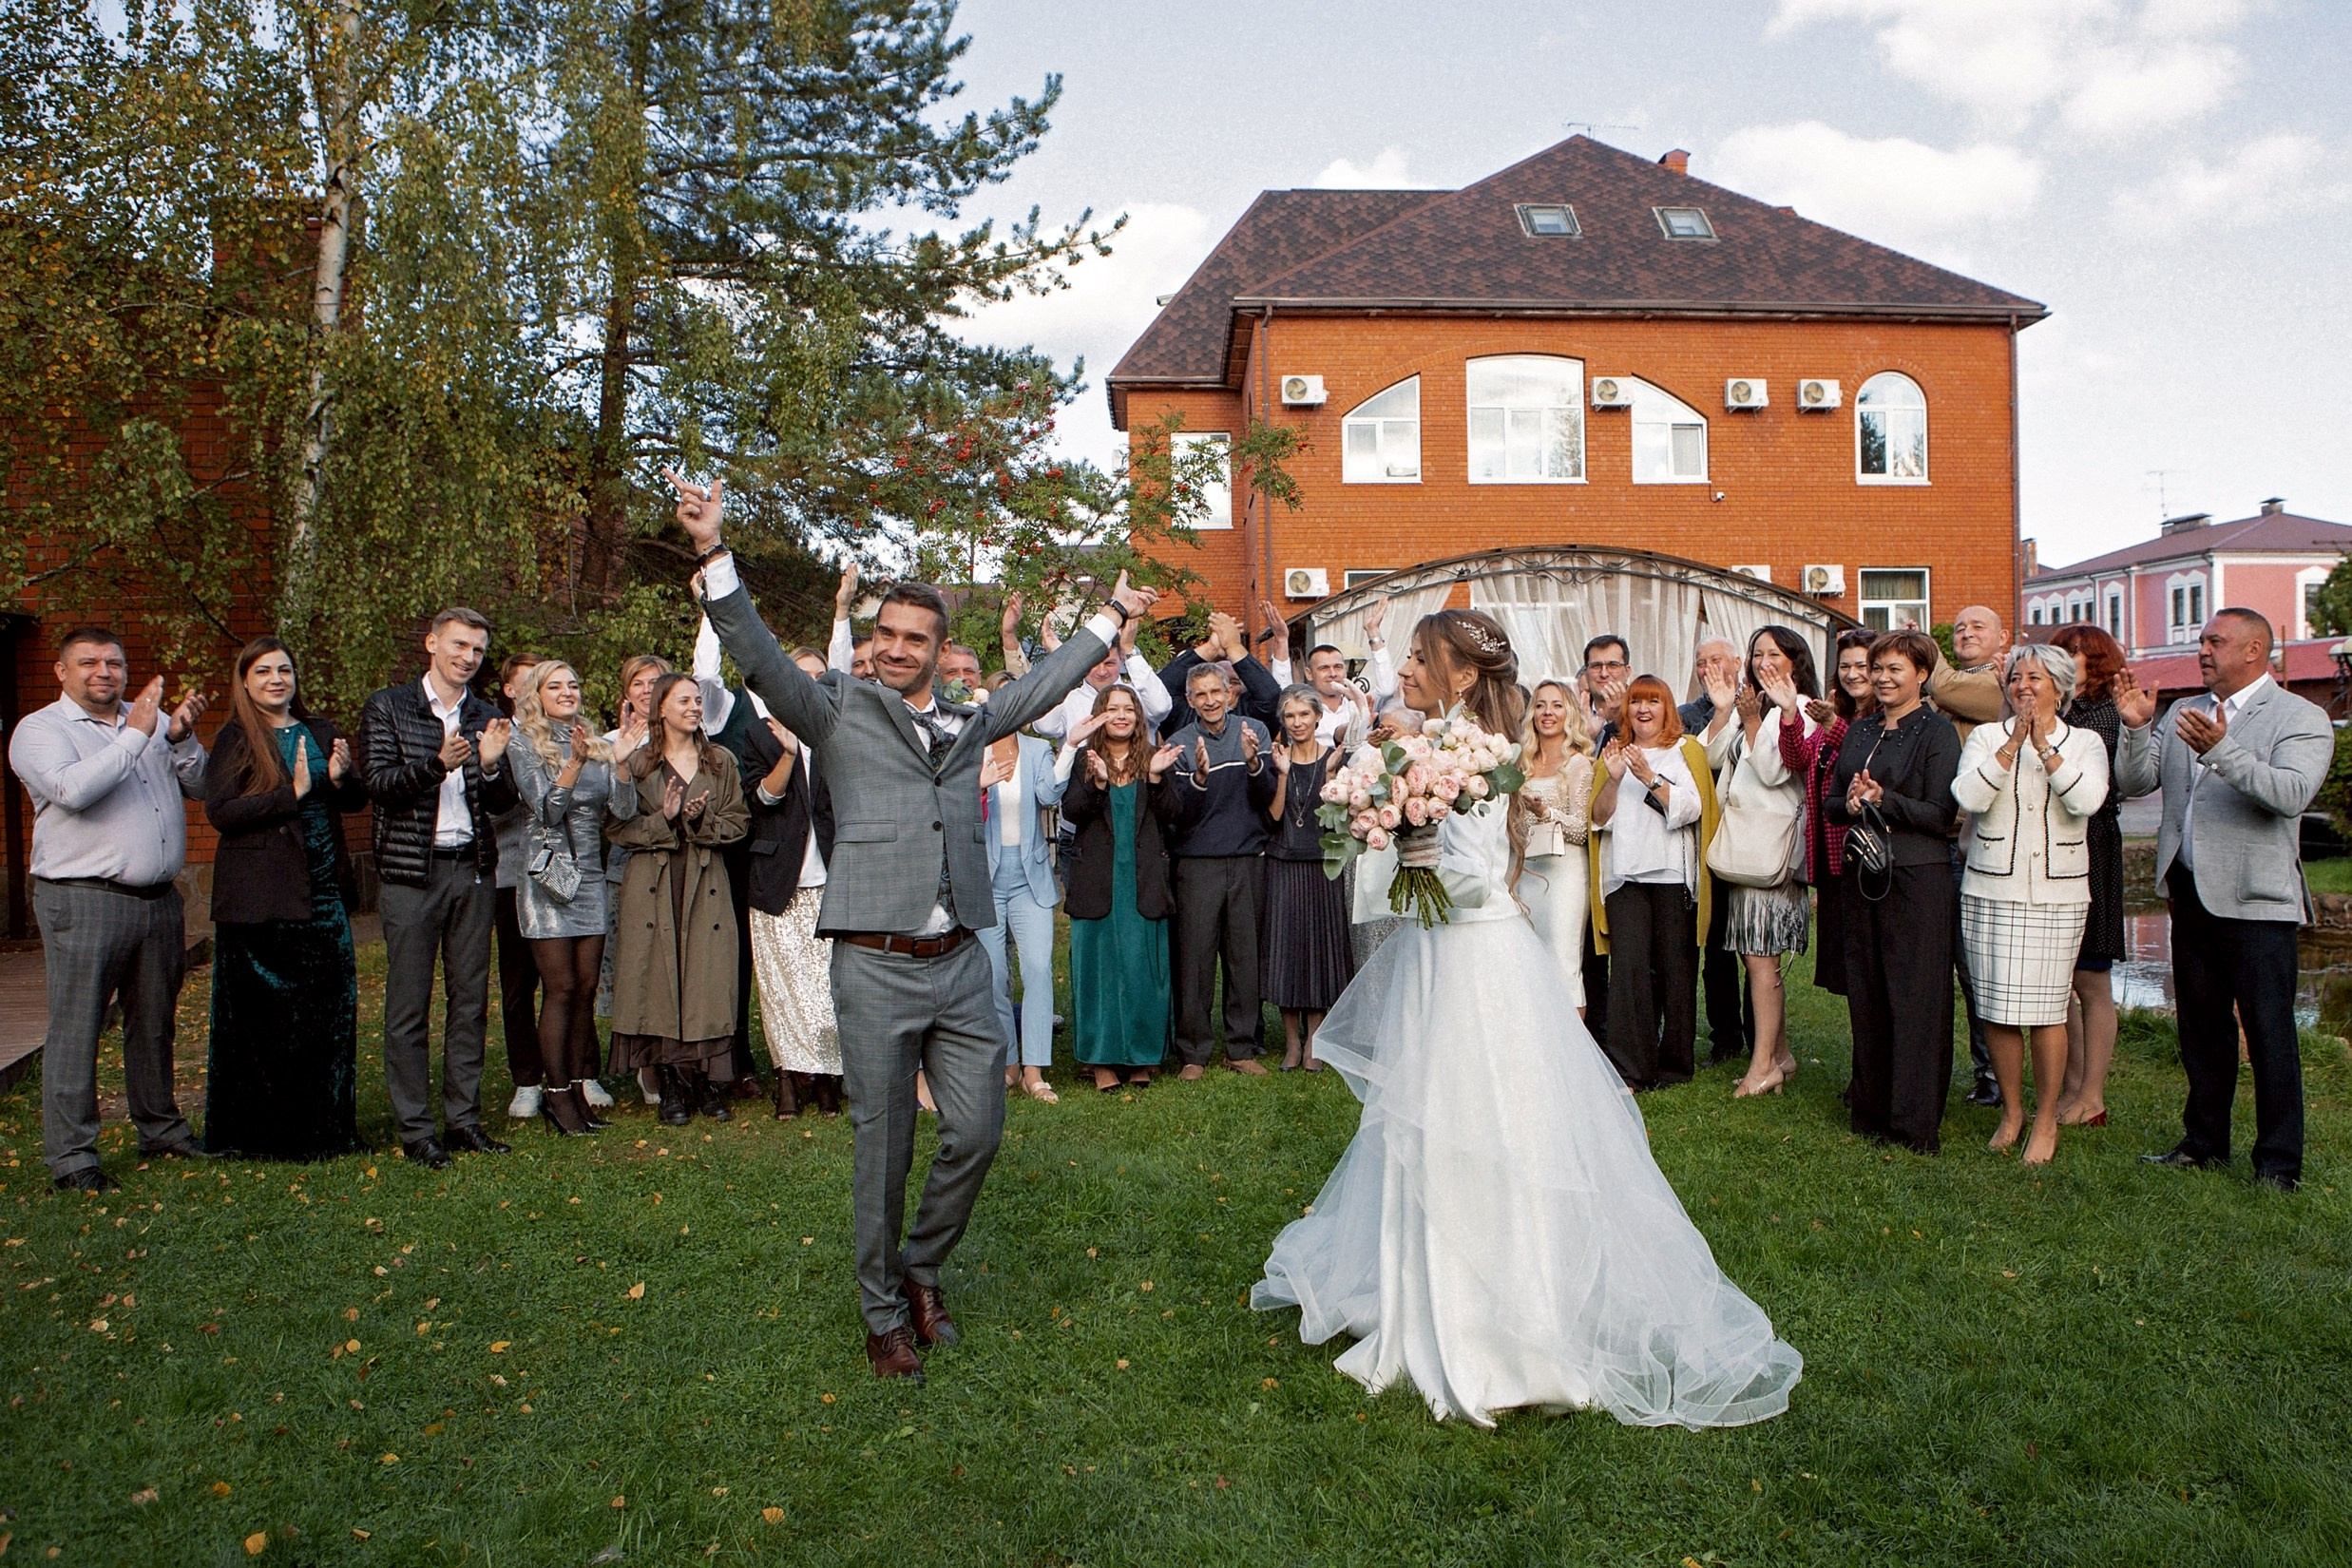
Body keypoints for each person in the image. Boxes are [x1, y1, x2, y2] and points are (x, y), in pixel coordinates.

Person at [1253, 608, 1801, 1429]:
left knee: (1489, 1121)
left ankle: (1500, 1317)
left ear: (1464, 675)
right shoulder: (1427, 741)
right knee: (1433, 1120)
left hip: (1480, 960)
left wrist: (1416, 844)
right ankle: (1426, 1293)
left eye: (1419, 657)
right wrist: (1398, 836)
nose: (1406, 668)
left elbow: (1478, 875)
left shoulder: (1474, 751)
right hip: (1442, 955)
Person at [677, 468, 1157, 1382]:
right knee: (882, 1150)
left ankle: (922, 1267)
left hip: (963, 964)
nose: (894, 650)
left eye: (912, 639)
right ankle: (884, 1313)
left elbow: (1044, 682)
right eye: (884, 636)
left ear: (941, 650)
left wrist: (1109, 615)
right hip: (873, 964)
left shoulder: (973, 722)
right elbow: (763, 657)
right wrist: (711, 549)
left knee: (975, 1134)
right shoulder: (837, 710)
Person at [2115, 609, 2331, 1192]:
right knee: (2202, 1030)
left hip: (2256, 900)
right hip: (2189, 892)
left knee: (2268, 1034)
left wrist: (2222, 750)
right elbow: (2137, 783)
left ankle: (2279, 1165)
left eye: (2216, 641)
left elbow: (2289, 795)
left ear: (2255, 649)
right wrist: (2137, 729)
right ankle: (2204, 1144)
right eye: (2204, 641)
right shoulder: (2185, 709)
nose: (2203, 649)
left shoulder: (2300, 717)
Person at [11, 628, 210, 1190]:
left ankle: (162, 1130)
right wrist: (137, 736)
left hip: (157, 901)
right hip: (84, 898)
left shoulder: (148, 718)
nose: (105, 672)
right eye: (89, 662)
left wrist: (180, 738)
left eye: (115, 663)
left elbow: (201, 786)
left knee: (154, 1024)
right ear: (61, 672)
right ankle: (73, 1159)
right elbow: (73, 791)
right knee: (78, 1027)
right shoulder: (40, 731)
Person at [356, 607, 517, 1169]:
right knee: (407, 1006)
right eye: (458, 645)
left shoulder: (486, 714)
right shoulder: (389, 706)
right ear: (432, 643)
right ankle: (416, 1128)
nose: (468, 657)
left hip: (471, 870)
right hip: (411, 872)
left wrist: (493, 768)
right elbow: (376, 785)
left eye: (477, 649)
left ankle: (463, 1120)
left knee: (470, 1002)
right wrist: (435, 765)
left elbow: (502, 805)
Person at [200, 637, 367, 1161]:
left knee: (329, 1017)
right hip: (260, 900)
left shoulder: (319, 730)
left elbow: (357, 799)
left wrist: (341, 778)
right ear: (245, 681)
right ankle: (260, 1136)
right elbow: (221, 813)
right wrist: (289, 795)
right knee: (261, 1023)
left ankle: (327, 1131)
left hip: (322, 895)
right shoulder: (234, 738)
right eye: (265, 671)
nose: (277, 679)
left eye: (285, 670)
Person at [1951, 643, 2111, 1166]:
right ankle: (2012, 1111)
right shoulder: (1985, 737)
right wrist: (2011, 745)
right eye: (2016, 678)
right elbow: (1969, 799)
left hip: (2057, 895)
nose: (2024, 687)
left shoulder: (2084, 741)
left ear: (2060, 688)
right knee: (1996, 1007)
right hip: (1990, 888)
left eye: (2036, 678)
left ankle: (2046, 1118)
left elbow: (2086, 801)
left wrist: (2043, 747)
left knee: (2045, 1011)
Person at [1826, 630, 1962, 1155]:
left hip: (1917, 879)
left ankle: (1913, 1121)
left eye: (1894, 670)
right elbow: (1835, 801)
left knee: (1916, 997)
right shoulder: (1859, 731)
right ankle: (1872, 1111)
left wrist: (1887, 800)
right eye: (1877, 668)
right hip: (1863, 875)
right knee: (1869, 992)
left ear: (1922, 675)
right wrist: (1855, 804)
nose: (1881, 678)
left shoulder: (1938, 734)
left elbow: (1940, 816)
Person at [605, 672, 749, 1123]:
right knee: (660, 977)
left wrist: (702, 820)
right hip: (653, 883)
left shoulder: (721, 761)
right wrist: (664, 820)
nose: (693, 706)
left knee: (706, 976)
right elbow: (615, 828)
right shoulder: (639, 762)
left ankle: (703, 1081)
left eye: (697, 700)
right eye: (683, 699)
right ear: (661, 708)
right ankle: (669, 1082)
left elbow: (740, 822)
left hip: (706, 881)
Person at [508, 660, 643, 1138]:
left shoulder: (596, 741)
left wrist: (621, 761)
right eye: (555, 685)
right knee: (561, 987)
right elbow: (545, 810)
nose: (567, 692)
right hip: (548, 878)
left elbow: (623, 813)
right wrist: (574, 763)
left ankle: (580, 1092)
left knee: (586, 988)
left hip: (589, 876)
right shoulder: (524, 741)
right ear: (537, 694)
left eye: (573, 684)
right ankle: (557, 1096)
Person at [1590, 676, 1718, 1091]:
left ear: (1667, 708)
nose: (1643, 709)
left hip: (1672, 875)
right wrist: (1612, 778)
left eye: (1653, 702)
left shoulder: (1687, 751)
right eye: (1635, 702)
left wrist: (1649, 777)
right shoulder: (1613, 753)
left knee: (1675, 970)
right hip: (1624, 876)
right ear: (1625, 710)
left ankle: (1675, 1065)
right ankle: (1631, 1068)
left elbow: (1692, 809)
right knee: (1627, 973)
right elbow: (1598, 818)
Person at [1060, 685, 1185, 1090]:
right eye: (1112, 708)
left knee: (1141, 968)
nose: (1121, 715)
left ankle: (1143, 1056)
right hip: (1099, 882)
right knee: (1100, 970)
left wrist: (1155, 778)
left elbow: (1173, 814)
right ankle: (1101, 1061)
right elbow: (1072, 811)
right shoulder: (1085, 759)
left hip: (1143, 881)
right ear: (1099, 714)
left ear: (1138, 717)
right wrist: (1098, 783)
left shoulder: (1154, 757)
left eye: (1128, 709)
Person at [1163, 662, 1279, 1078]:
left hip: (1247, 858)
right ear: (1190, 700)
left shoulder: (1254, 732)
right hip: (1196, 863)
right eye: (1201, 694)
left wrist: (1253, 764)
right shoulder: (1178, 743)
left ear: (1230, 693)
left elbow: (1267, 797)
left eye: (1217, 692)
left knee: (1244, 957)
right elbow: (1177, 815)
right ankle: (1193, 1053)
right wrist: (1196, 777)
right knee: (1194, 959)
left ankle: (1241, 1047)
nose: (1211, 700)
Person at [742, 646, 843, 1119]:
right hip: (777, 883)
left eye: (818, 676)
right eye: (800, 675)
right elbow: (763, 799)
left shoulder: (834, 736)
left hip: (829, 882)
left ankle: (825, 1079)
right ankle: (786, 1078)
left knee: (824, 989)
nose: (810, 683)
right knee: (781, 989)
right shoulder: (757, 734)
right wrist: (787, 752)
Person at [1721, 627, 1821, 1100]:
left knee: (1763, 964)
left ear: (1795, 662)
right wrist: (1734, 714)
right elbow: (1713, 753)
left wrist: (1758, 721)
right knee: (1754, 960)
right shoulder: (1753, 708)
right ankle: (1779, 1055)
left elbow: (1774, 769)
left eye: (1773, 654)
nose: (1763, 661)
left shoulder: (1801, 710)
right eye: (1756, 654)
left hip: (1773, 850)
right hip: (1746, 845)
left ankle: (1762, 1067)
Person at [1930, 603, 2012, 1108]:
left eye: (1977, 626)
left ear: (2003, 639)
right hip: (1935, 836)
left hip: (1971, 839)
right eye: (1958, 627)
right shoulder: (1959, 682)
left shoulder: (1997, 683)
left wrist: (1930, 657)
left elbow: (1943, 691)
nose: (1965, 632)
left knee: (1974, 964)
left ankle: (1994, 1074)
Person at [2048, 623, 2129, 1128]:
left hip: (2094, 846)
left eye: (2077, 652)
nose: (2068, 658)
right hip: (2054, 848)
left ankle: (2092, 1094)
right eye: (2061, 650)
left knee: (2092, 976)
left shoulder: (2107, 715)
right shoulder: (2059, 711)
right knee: (2063, 978)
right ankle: (2073, 1085)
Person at [977, 677, 1067, 1103]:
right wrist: (977, 783)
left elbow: (1049, 794)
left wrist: (1068, 749)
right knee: (994, 977)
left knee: (1037, 969)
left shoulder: (1035, 750)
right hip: (986, 880)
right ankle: (1008, 1063)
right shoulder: (971, 750)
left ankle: (1034, 1068)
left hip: (1030, 878)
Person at [1261, 685, 1356, 1069]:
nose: (1297, 723)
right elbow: (1272, 816)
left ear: (1318, 717)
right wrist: (1282, 775)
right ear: (1282, 721)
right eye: (1290, 716)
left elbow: (1342, 817)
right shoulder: (1276, 759)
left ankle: (1315, 1039)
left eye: (1304, 715)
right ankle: (1291, 1043)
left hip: (1323, 865)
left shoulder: (1336, 759)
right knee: (1287, 950)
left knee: (1320, 950)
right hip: (1283, 863)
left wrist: (1332, 775)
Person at [1783, 629, 1877, 997]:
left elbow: (1865, 757)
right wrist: (1790, 713)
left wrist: (1831, 725)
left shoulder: (1882, 716)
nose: (1853, 674)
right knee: (1846, 970)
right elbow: (1797, 758)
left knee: (1864, 966)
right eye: (1845, 667)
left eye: (1862, 665)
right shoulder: (1836, 711)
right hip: (1830, 858)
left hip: (1864, 859)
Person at [1680, 637, 1755, 1068]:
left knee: (1757, 949)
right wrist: (1721, 711)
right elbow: (1696, 766)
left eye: (1716, 660)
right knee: (1718, 947)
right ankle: (1725, 1036)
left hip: (1755, 839)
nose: (1708, 668)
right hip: (1709, 843)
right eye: (1700, 661)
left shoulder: (1757, 705)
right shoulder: (1689, 715)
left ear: (1738, 663)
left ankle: (1762, 1035)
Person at [602, 653, 672, 1106]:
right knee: (633, 968)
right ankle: (642, 1063)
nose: (647, 689)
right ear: (626, 693)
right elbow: (613, 815)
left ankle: (673, 1061)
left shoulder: (685, 735)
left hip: (677, 864)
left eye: (655, 682)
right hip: (625, 867)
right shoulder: (610, 743)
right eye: (638, 683)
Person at [488, 652, 548, 1121]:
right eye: (527, 680)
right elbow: (492, 806)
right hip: (511, 874)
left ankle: (574, 1072)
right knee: (518, 984)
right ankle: (527, 1080)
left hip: (564, 876)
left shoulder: (564, 733)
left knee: (567, 981)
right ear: (509, 689)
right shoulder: (499, 736)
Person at [1514, 679, 1594, 1013]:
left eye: (1557, 705)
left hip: (1565, 875)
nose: (1548, 712)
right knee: (1528, 963)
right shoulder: (1522, 764)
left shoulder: (1578, 764)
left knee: (1563, 961)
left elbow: (1582, 830)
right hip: (1526, 871)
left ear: (1570, 713)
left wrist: (1545, 812)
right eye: (1541, 705)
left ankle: (1575, 1055)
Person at [1577, 634, 1632, 1034]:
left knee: (1630, 950)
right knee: (1585, 949)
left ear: (1626, 670)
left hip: (1627, 847)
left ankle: (1636, 1029)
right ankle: (1594, 1026)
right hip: (1580, 848)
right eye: (1597, 666)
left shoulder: (1641, 711)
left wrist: (1616, 720)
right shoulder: (1577, 718)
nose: (1604, 673)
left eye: (1612, 665)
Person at [1262, 594, 1394, 744]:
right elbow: (1283, 688)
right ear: (1309, 673)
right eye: (1324, 668)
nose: (1332, 674)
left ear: (1344, 670)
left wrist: (1373, 631)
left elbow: (1386, 690)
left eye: (1337, 667)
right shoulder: (1302, 710)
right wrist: (1281, 639)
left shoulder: (1361, 704)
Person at [1032, 607, 1172, 741]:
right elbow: (1045, 727)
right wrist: (1062, 662)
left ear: (1122, 658)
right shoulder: (1069, 700)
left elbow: (1161, 708)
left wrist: (1129, 648)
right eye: (1093, 664)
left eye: (1109, 663)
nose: (1102, 672)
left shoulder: (1139, 696)